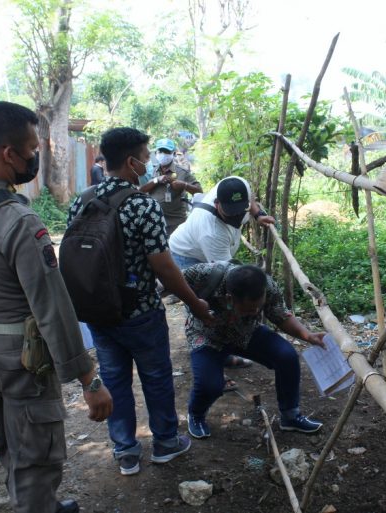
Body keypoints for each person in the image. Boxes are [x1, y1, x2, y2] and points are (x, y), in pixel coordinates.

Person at [0, 101, 113, 513]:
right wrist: (89, 379)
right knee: (37, 452)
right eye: (32, 150)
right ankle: (37, 504)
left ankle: (37, 504)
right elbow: (51, 304)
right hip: (19, 355)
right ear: (8, 153)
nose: (36, 156)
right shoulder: (18, 219)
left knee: (8, 437)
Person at [67, 127, 214, 477]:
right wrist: (195, 303)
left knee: (115, 380)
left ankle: (126, 451)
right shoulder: (142, 205)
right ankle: (164, 442)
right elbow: (163, 266)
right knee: (157, 377)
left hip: (98, 311)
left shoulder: (83, 199)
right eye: (146, 158)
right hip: (141, 312)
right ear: (132, 162)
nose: (150, 164)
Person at [183, 263, 326, 439]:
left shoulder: (267, 285)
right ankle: (196, 415)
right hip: (206, 336)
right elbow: (170, 280)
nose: (256, 311)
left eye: (259, 306)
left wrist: (308, 335)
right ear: (230, 298)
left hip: (245, 332)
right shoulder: (206, 274)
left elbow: (280, 315)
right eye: (250, 309)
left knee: (287, 356)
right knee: (210, 385)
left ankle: (290, 416)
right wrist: (194, 303)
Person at [169, 175, 275, 373]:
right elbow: (228, 278)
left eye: (241, 210)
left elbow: (250, 200)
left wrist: (258, 214)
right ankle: (210, 363)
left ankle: (219, 355)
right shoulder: (211, 231)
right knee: (204, 308)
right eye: (230, 212)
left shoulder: (237, 184)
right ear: (217, 203)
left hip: (206, 250)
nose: (237, 217)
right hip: (186, 254)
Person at [138, 138, 202, 237]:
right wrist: (157, 180)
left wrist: (184, 185)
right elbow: (142, 190)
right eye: (160, 151)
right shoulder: (152, 171)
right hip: (155, 222)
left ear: (173, 153)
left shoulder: (181, 171)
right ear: (156, 153)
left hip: (176, 224)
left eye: (167, 152)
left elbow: (199, 191)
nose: (163, 154)